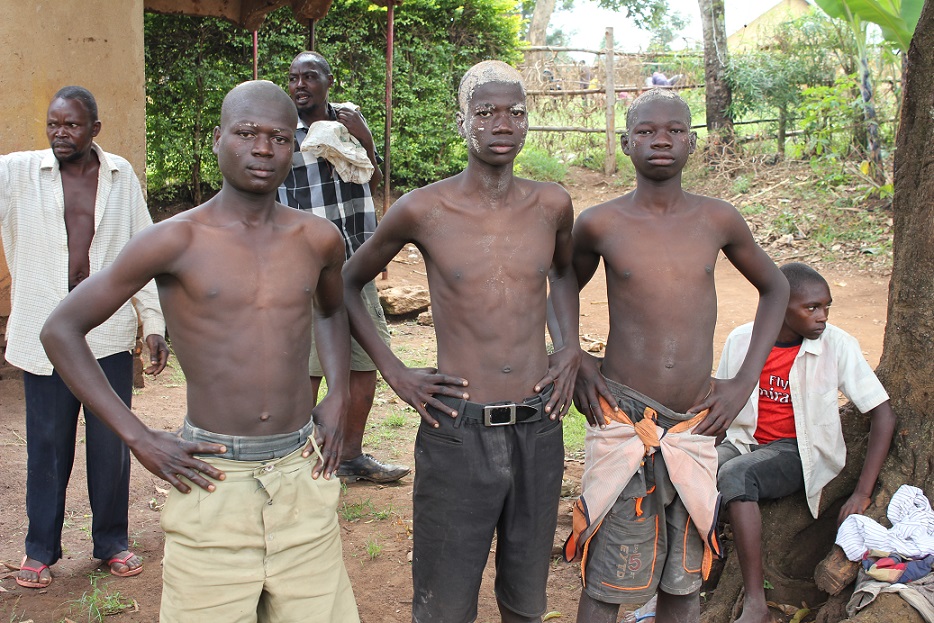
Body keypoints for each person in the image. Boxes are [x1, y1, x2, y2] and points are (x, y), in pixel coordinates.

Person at [40, 80, 359, 622]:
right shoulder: (175, 240)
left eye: (279, 138)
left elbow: (330, 312)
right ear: (218, 139)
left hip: (301, 476)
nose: (263, 149)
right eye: (247, 133)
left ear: (294, 147)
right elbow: (61, 330)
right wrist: (138, 437)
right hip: (213, 479)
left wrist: (338, 393)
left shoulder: (318, 238)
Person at [343, 60, 582, 623]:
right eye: (486, 112)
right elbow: (350, 283)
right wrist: (395, 371)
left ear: (529, 123)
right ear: (462, 122)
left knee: (526, 598)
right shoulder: (424, 209)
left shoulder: (551, 205)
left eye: (515, 112)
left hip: (539, 426)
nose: (502, 123)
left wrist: (568, 343)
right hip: (457, 429)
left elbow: (565, 273)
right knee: (445, 601)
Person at [561, 88, 790, 623]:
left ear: (692, 141)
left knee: (685, 576)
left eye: (673, 130)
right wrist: (571, 355)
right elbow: (561, 286)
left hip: (694, 422)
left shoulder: (718, 219)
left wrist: (742, 382)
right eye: (645, 131)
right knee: (606, 576)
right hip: (621, 415)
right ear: (625, 142)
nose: (660, 139)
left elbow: (775, 288)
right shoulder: (601, 223)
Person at [0, 86, 169, 588]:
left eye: (71, 125)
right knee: (47, 446)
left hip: (106, 336)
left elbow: (145, 251)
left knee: (111, 443)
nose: (59, 133)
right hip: (43, 336)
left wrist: (153, 322)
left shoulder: (119, 177)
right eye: (53, 123)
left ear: (95, 129)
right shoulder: (19, 172)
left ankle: (112, 542)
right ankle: (39, 550)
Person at [715, 262, 896, 623]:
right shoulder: (741, 340)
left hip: (798, 452)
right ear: (779, 307)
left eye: (826, 307)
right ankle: (688, 576)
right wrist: (700, 453)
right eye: (811, 308)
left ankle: (756, 605)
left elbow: (884, 415)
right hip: (744, 441)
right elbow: (723, 405)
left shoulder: (837, 345)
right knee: (688, 468)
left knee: (736, 476)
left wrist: (862, 491)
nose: (822, 316)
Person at [280, 50, 409, 484]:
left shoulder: (348, 123)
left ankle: (351, 456)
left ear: (327, 82)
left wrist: (366, 138)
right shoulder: (281, 131)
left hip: (355, 268)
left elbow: (369, 178)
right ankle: (299, 460)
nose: (300, 84)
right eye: (294, 77)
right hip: (306, 270)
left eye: (310, 76)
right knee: (310, 369)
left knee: (363, 364)